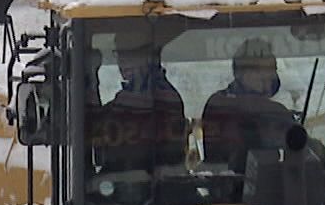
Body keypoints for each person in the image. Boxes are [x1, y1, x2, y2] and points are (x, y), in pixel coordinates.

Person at [91, 33, 187, 176]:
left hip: (139, 184)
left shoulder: (154, 94)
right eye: (119, 54)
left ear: (148, 56)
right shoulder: (137, 93)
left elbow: (94, 124)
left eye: (130, 55)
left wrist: (91, 74)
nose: (122, 62)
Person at [200, 37, 300, 173]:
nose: (269, 77)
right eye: (260, 70)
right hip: (230, 187)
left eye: (272, 69)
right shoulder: (220, 104)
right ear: (240, 73)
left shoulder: (275, 111)